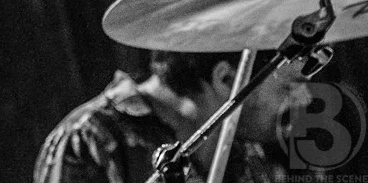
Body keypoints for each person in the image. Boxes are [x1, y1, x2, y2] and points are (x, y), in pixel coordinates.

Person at [33, 50, 309, 183]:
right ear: (226, 79)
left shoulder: (242, 146)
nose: (304, 99)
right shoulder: (88, 137)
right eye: (288, 86)